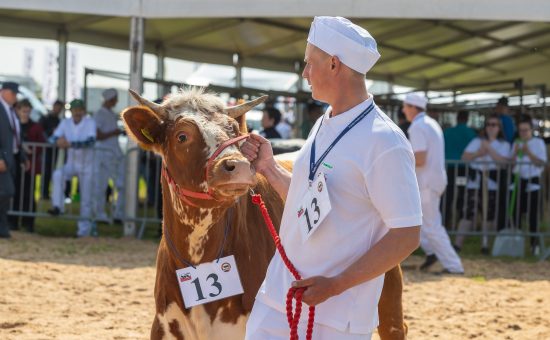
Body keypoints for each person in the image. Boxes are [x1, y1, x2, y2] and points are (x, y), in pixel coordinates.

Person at [242, 16, 422, 339]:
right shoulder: (325, 121)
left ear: (335, 65)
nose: (305, 73)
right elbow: (307, 202)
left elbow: (407, 234)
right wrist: (269, 168)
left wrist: (336, 285)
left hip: (338, 317)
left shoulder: (385, 141)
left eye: (310, 63)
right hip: (280, 296)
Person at [403, 93, 464, 274]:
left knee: (431, 225)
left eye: (406, 106)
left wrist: (400, 162)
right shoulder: (430, 123)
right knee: (417, 220)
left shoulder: (418, 126)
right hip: (432, 181)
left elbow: (420, 159)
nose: (403, 110)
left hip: (426, 183)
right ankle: (431, 252)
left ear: (414, 107)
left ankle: (454, 266)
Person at [455, 114, 511, 254]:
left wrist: (489, 149)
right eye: (488, 124)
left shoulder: (504, 144)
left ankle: (485, 244)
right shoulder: (477, 141)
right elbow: (465, 157)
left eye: (494, 125)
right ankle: (457, 245)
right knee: (467, 213)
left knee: (488, 215)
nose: (491, 128)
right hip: (475, 183)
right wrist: (479, 153)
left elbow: (504, 162)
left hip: (492, 184)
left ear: (499, 128)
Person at [47, 99, 97, 237]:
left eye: (80, 109)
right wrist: (57, 141)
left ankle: (84, 231)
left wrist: (71, 144)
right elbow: (51, 139)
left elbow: (91, 141)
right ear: (71, 111)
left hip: (87, 165)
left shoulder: (90, 122)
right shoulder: (65, 122)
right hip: (72, 163)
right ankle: (58, 206)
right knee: (58, 175)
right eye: (75, 110)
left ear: (84, 111)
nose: (77, 112)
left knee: (86, 199)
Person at [511, 115, 547, 255]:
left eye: (526, 130)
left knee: (533, 217)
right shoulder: (516, 142)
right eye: (521, 130)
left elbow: (541, 162)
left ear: (531, 130)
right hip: (518, 182)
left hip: (533, 182)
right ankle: (517, 246)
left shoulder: (538, 143)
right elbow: (510, 163)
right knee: (516, 214)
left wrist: (528, 152)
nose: (523, 133)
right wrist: (515, 153)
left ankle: (534, 246)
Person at [8, 99, 46, 232]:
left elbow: (41, 144)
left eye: (28, 111)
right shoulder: (13, 125)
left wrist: (32, 151)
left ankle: (28, 222)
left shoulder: (35, 127)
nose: (25, 114)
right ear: (18, 111)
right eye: (23, 111)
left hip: (30, 167)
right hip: (14, 165)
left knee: (28, 195)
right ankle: (12, 221)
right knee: (14, 193)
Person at [92, 88, 125, 223]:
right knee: (101, 185)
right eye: (115, 98)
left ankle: (118, 213)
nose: (116, 101)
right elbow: (97, 135)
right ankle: (99, 214)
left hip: (114, 154)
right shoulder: (99, 114)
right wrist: (114, 132)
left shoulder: (111, 114)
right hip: (103, 154)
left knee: (122, 185)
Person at [0, 82, 28, 238]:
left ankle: (2, 228)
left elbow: (15, 136)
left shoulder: (10, 111)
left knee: (6, 192)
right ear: (3, 91)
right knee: (6, 191)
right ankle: (2, 227)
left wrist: (22, 156)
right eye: (13, 93)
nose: (15, 97)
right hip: (2, 159)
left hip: (11, 158)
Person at [442, 110, 477, 227]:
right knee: (462, 194)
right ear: (467, 119)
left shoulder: (447, 132)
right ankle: (460, 220)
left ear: (457, 118)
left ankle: (445, 221)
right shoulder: (471, 133)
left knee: (448, 195)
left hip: (449, 168)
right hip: (463, 169)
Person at [39, 99, 64, 199]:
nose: (58, 110)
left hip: (54, 149)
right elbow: (40, 132)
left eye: (60, 108)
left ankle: (48, 192)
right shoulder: (45, 118)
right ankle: (44, 193)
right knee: (45, 171)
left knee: (51, 171)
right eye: (56, 107)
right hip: (46, 149)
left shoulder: (59, 121)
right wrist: (50, 133)